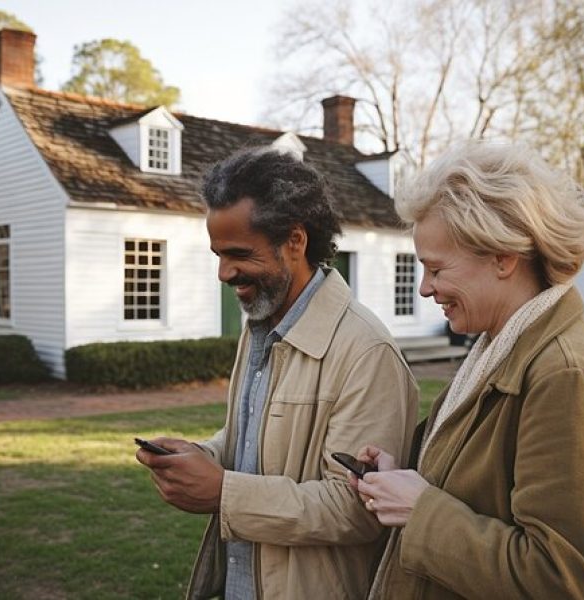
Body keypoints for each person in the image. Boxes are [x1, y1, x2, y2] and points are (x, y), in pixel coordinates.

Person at [350, 142, 584, 598]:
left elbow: (570, 582)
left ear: (502, 257)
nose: (426, 288)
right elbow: (485, 491)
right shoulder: (500, 348)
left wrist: (422, 509)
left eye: (436, 268)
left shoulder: (567, 378)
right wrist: (405, 476)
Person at [136, 147, 419, 599]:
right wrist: (200, 454)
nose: (224, 273)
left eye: (238, 254)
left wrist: (223, 493)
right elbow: (250, 438)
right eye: (218, 255)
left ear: (295, 241)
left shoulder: (367, 352)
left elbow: (357, 507)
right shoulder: (259, 327)